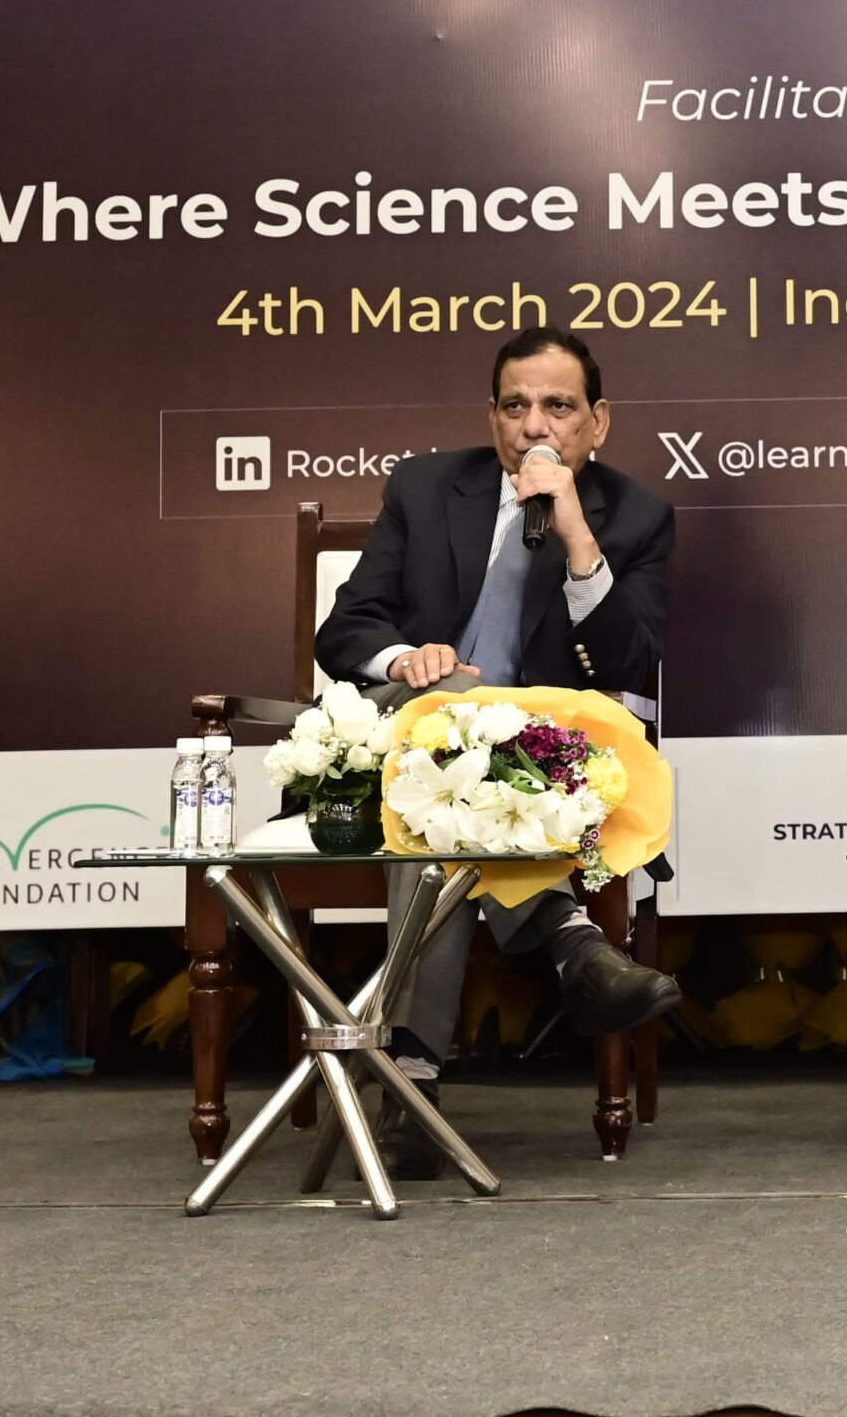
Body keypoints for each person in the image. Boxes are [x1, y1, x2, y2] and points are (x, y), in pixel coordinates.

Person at [315, 325, 681, 1174]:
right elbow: (347, 627)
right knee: (442, 734)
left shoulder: (636, 517)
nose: (535, 426)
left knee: (442, 796)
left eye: (559, 406)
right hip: (417, 730)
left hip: (540, 763)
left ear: (598, 422)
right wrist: (404, 660)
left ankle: (410, 1080)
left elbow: (630, 663)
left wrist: (578, 537)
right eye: (516, 406)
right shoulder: (425, 487)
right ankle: (568, 936)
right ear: (492, 418)